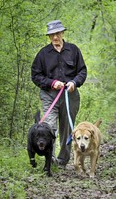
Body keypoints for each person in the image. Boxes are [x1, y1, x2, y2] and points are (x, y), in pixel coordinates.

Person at [31, 20, 87, 167]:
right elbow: (35, 75)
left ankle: (62, 160)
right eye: (51, 35)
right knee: (49, 127)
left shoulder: (73, 50)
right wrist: (52, 83)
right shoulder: (43, 54)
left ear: (62, 33)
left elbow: (82, 71)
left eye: (57, 33)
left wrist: (74, 82)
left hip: (70, 96)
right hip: (49, 95)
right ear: (49, 36)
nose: (55, 37)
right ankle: (50, 160)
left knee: (67, 129)